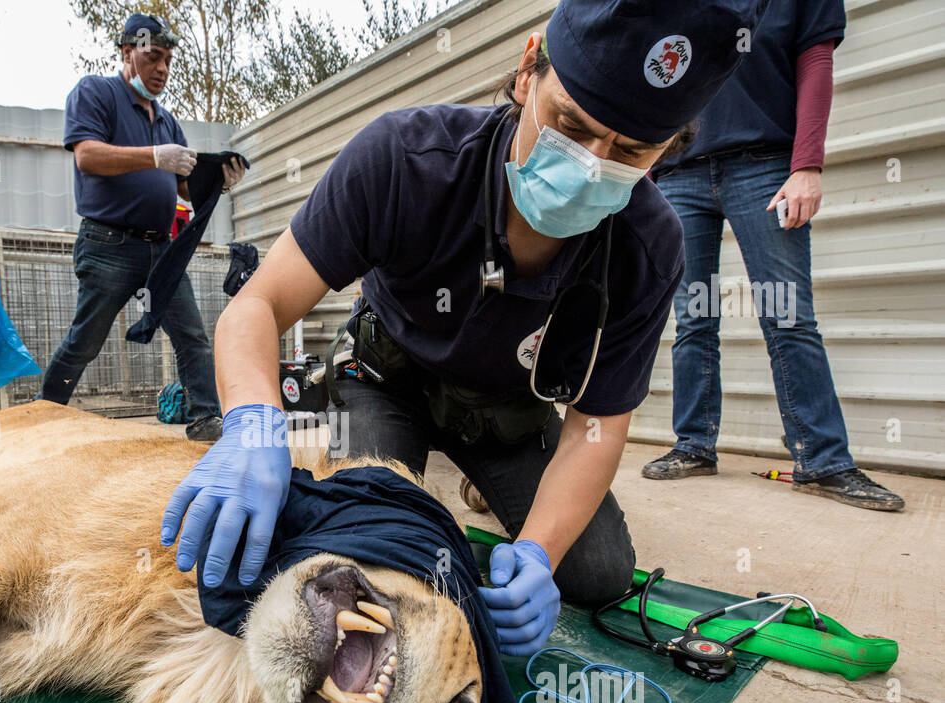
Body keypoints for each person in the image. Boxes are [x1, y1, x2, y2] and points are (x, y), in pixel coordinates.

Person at [161, 0, 769, 658]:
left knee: (597, 572)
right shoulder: (403, 157)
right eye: (569, 123)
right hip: (387, 381)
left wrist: (536, 553)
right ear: (528, 67)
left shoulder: (650, 245)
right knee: (372, 548)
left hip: (506, 412)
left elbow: (600, 424)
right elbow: (260, 304)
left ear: (671, 146)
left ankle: (483, 480)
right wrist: (254, 420)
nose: (589, 165)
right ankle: (402, 473)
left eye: (629, 150)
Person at [641, 1, 903, 512]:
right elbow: (657, 76)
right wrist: (646, 167)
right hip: (680, 173)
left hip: (765, 166)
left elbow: (815, 62)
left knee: (788, 315)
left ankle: (823, 460)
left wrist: (808, 164)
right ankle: (693, 445)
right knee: (694, 316)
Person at [36, 12, 245, 442]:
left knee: (191, 335)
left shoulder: (167, 122)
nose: (163, 69)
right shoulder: (95, 93)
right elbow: (88, 156)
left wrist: (218, 180)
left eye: (168, 60)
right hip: (108, 242)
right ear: (128, 52)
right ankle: (42, 418)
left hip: (161, 250)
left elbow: (185, 190)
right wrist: (154, 156)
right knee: (86, 341)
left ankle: (206, 419)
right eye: (153, 57)